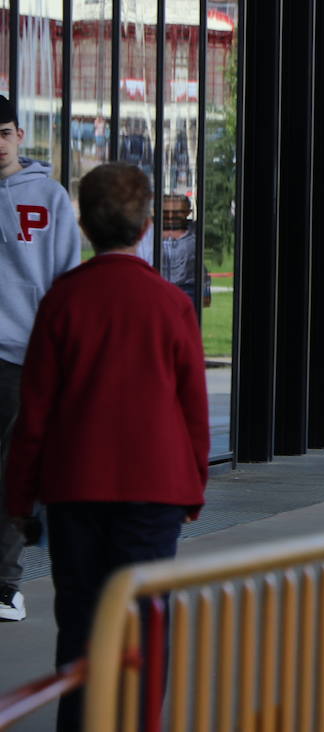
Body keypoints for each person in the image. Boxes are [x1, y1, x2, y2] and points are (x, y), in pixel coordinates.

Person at [4, 163, 208, 730]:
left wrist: (20, 499)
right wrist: (192, 486)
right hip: (154, 490)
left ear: (85, 228)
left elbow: (34, 415)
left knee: (81, 625)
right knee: (146, 622)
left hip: (77, 489)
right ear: (146, 226)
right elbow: (193, 408)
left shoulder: (63, 303)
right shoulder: (171, 305)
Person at [0, 95, 83, 623]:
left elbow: (67, 279)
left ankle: (6, 584)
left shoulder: (48, 197)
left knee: (11, 472)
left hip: (21, 356)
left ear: (19, 136)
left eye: (4, 132)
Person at [159, 194, 210, 309]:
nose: (171, 216)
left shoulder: (195, 236)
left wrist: (206, 291)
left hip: (187, 291)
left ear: (187, 212)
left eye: (177, 212)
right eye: (166, 212)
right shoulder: (152, 235)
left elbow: (201, 267)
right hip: (160, 290)